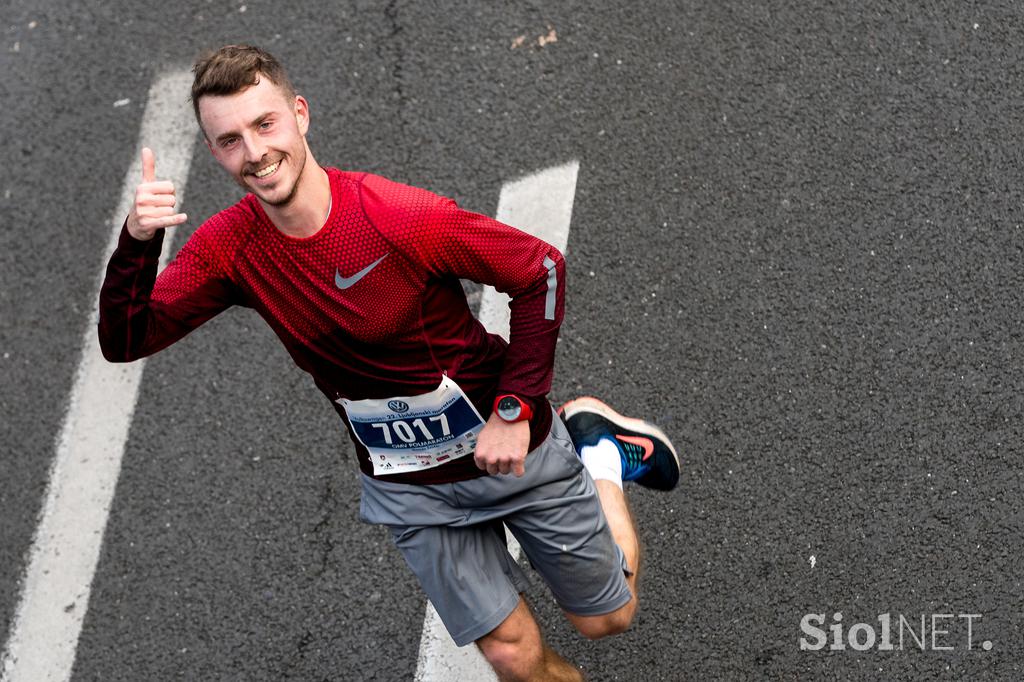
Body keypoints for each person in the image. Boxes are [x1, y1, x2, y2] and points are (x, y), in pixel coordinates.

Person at [98, 44, 680, 681]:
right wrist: (137, 240)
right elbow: (128, 340)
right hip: (408, 482)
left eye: (265, 125)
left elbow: (538, 268)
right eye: (230, 139)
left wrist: (515, 409)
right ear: (214, 152)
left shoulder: (395, 216)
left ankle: (598, 454)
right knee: (510, 654)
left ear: (299, 114)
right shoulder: (229, 249)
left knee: (606, 620)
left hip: (507, 442)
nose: (256, 153)